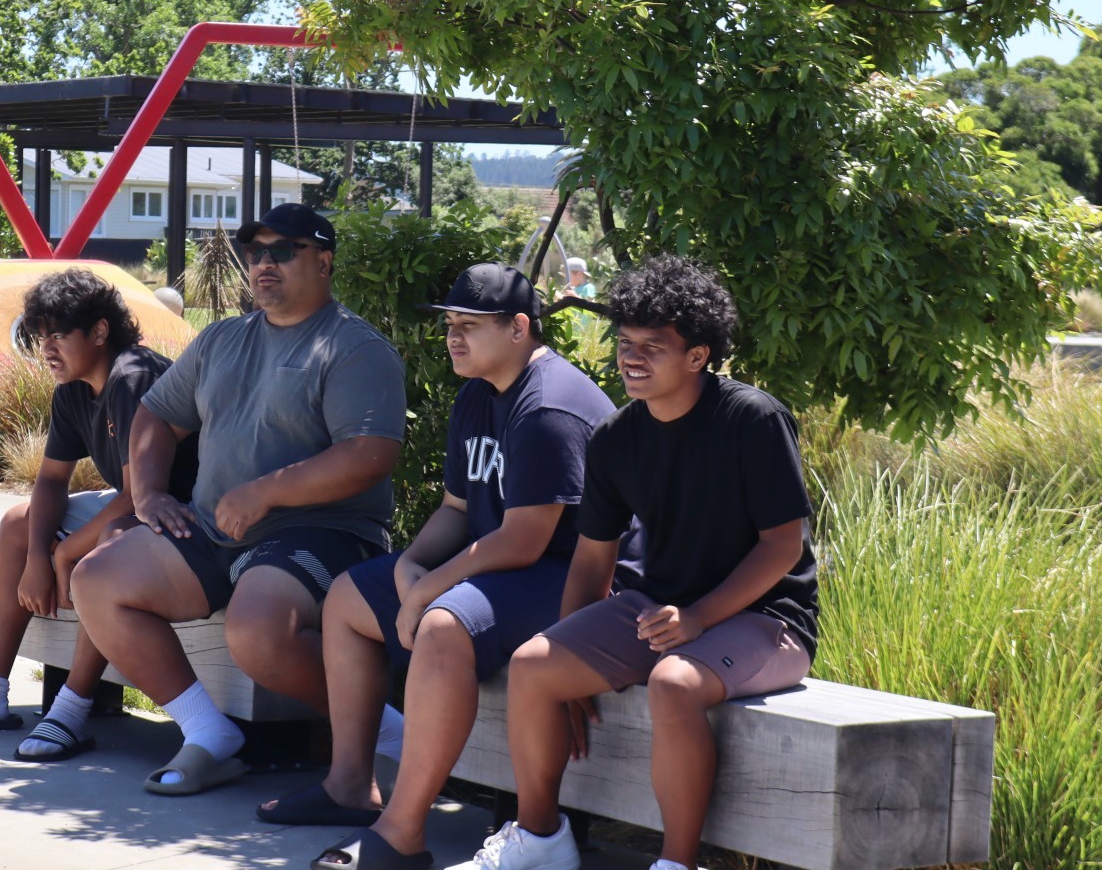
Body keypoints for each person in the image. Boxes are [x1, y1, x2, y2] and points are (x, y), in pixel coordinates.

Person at [449, 255, 818, 870]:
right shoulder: (617, 437)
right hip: (659, 610)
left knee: (676, 684)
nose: (631, 358)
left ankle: (677, 862)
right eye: (625, 343)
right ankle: (541, 839)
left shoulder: (751, 419)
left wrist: (698, 618)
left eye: (654, 347)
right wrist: (568, 654)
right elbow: (592, 562)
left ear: (698, 356)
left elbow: (782, 547)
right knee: (534, 666)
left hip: (767, 619)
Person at [261, 263, 615, 870]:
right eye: (450, 324)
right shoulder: (479, 392)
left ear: (519, 328)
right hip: (503, 566)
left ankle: (401, 833)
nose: (453, 337)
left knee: (444, 625)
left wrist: (430, 588)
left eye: (469, 326)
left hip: (574, 579)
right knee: (348, 600)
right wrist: (414, 565)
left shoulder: (549, 406)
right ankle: (350, 784)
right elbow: (458, 507)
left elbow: (525, 540)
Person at [70, 202, 406, 796]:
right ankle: (209, 733)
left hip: (320, 532)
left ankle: (394, 733)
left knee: (256, 632)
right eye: (255, 251)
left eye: (284, 250)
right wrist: (145, 493)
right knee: (97, 579)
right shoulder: (222, 338)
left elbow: (369, 454)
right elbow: (155, 415)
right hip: (214, 527)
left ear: (324, 262)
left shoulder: (355, 348)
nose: (264, 263)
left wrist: (267, 492)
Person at [0, 268, 199, 759]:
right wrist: (39, 554)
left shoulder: (133, 377)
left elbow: (141, 495)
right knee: (19, 522)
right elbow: (52, 480)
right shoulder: (75, 390)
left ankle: (72, 710)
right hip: (138, 506)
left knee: (108, 547)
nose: (47, 349)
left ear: (100, 332)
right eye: (41, 337)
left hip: (181, 511)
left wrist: (64, 559)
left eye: (59, 335)